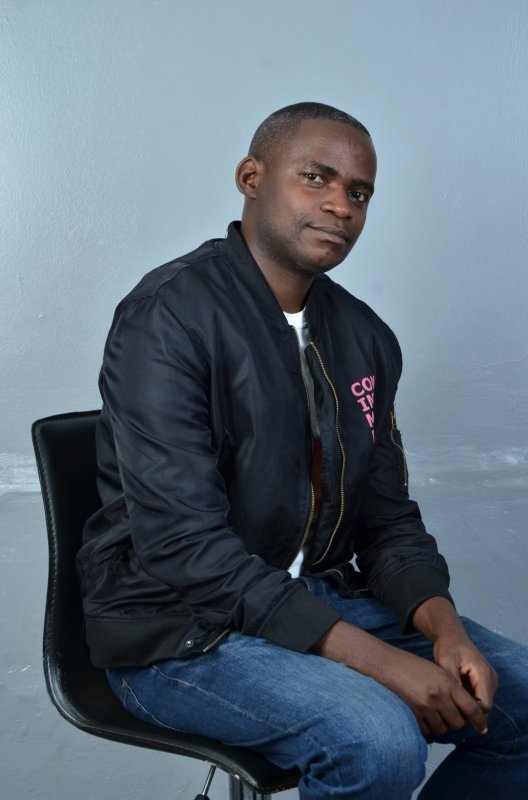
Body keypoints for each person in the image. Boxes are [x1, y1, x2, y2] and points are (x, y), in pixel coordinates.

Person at [77, 102, 528, 799]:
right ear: (251, 178)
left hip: (321, 597)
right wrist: (381, 663)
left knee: (520, 699)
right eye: (316, 178)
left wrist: (446, 630)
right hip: (179, 628)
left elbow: (387, 521)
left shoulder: (365, 337)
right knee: (377, 737)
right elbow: (182, 545)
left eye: (359, 192)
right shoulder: (168, 316)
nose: (341, 206)